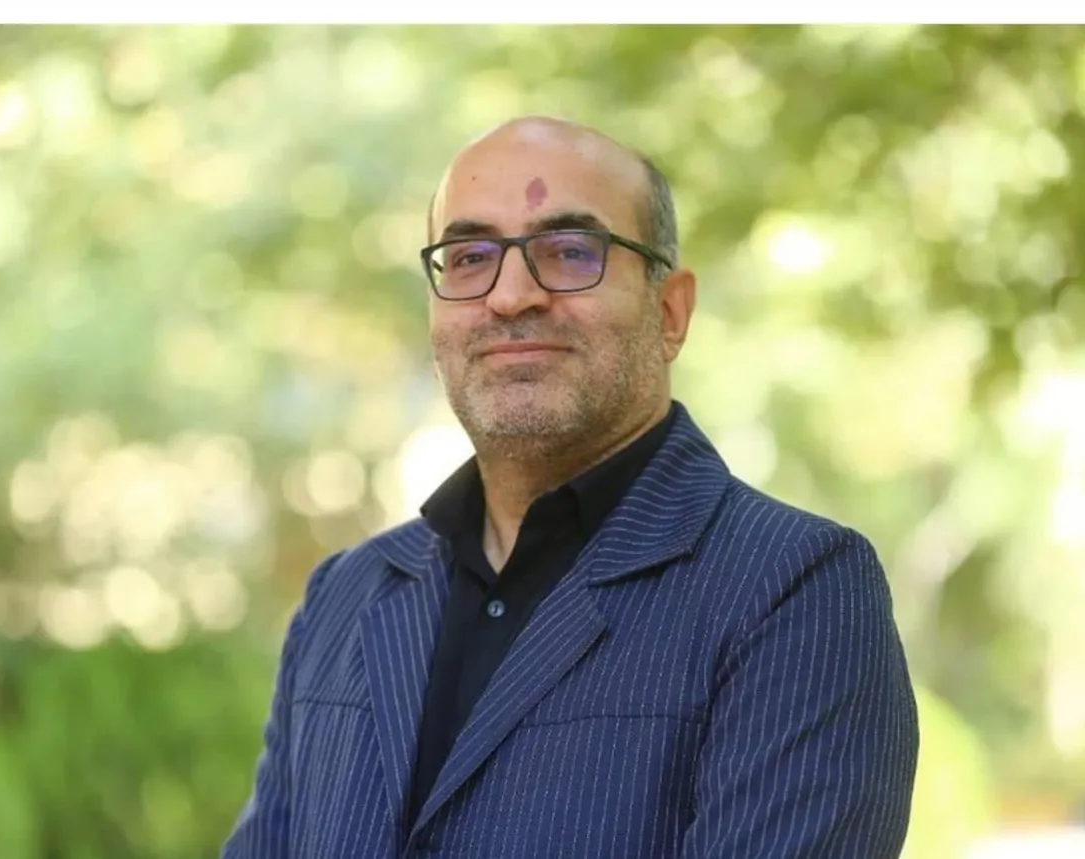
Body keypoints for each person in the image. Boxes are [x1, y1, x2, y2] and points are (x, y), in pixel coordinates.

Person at [221, 115, 920, 859]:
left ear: (670, 312)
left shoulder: (795, 590)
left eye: (570, 251)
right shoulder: (343, 597)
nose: (510, 295)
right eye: (469, 257)